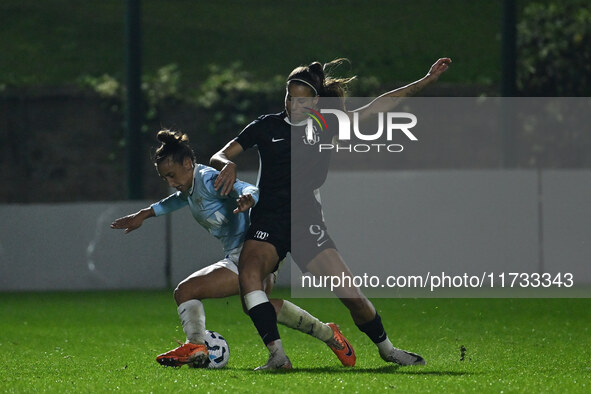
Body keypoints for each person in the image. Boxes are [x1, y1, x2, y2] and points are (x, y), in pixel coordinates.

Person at [210, 57, 451, 370]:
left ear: (314, 101)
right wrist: (225, 163)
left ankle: (388, 349)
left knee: (352, 296)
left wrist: (424, 81)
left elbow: (378, 106)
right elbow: (219, 154)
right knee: (249, 275)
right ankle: (278, 356)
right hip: (268, 220)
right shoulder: (264, 126)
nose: (292, 104)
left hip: (306, 221)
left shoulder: (326, 124)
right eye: (288, 96)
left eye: (300, 99)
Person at [110, 129, 356, 368]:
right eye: (166, 178)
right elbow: (177, 200)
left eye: (172, 175)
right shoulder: (190, 186)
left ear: (187, 163)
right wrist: (145, 213)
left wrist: (248, 198)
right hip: (254, 250)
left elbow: (248, 188)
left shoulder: (207, 179)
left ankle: (196, 345)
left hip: (252, 250)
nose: (171, 182)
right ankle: (329, 334)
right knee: (258, 308)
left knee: (185, 291)